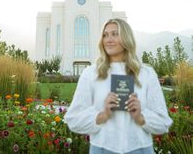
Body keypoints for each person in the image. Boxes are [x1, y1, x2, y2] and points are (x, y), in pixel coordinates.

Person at [64, 18, 173, 154]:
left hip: (140, 148)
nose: (108, 39)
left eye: (115, 34)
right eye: (105, 35)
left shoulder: (146, 74)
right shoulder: (91, 74)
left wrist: (140, 117)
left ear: (126, 38)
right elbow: (73, 119)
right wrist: (103, 115)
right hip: (102, 148)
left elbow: (163, 123)